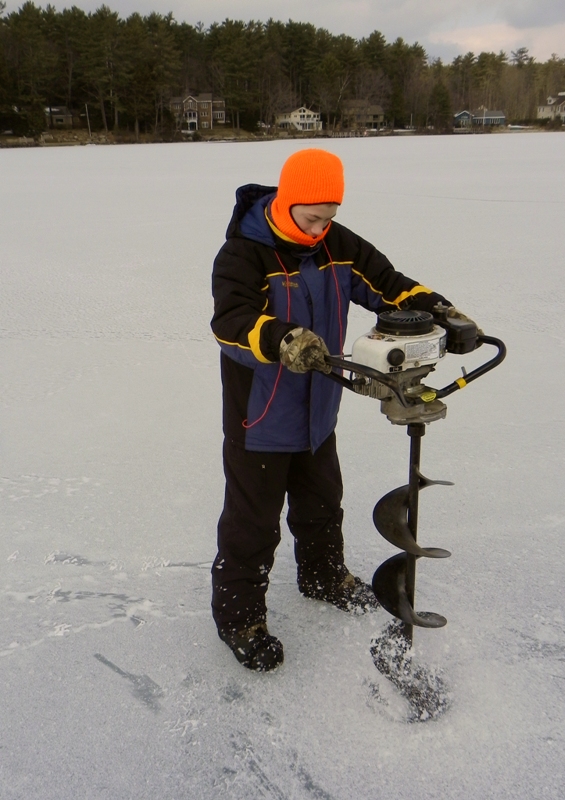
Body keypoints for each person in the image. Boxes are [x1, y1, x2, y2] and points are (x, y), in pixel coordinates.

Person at [211, 148, 478, 672]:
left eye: (329, 216)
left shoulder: (337, 242)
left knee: (321, 504)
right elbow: (230, 323)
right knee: (252, 523)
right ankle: (239, 617)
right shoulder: (243, 254)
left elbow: (387, 283)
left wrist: (442, 311)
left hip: (317, 411)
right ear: (287, 203)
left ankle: (322, 576)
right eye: (312, 217)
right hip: (260, 417)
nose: (320, 228)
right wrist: (283, 337)